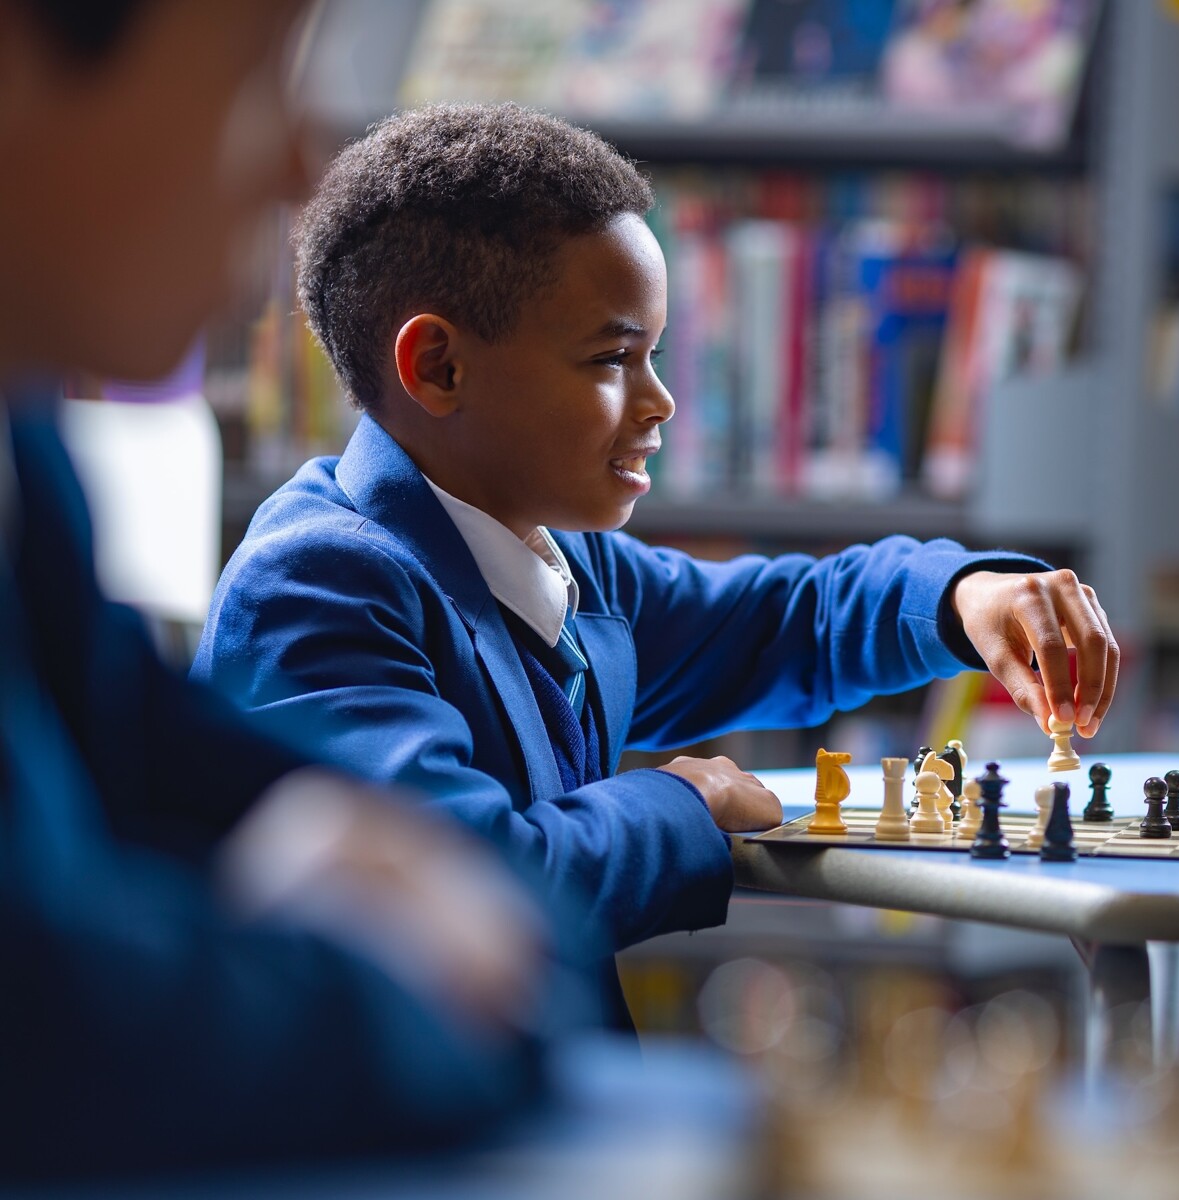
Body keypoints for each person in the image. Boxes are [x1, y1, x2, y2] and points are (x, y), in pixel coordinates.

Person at [192, 103, 1121, 1017]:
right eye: (612, 358)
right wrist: (682, 803)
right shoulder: (319, 582)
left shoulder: (561, 555)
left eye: (657, 355)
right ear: (438, 366)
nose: (663, 402)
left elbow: (777, 623)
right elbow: (464, 891)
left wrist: (965, 596)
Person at [0, 0, 574, 1179]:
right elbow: (48, 1021)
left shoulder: (24, 434)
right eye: (261, 72)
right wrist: (415, 989)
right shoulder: (335, 561)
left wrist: (458, 892)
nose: (307, 165)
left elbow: (135, 728)